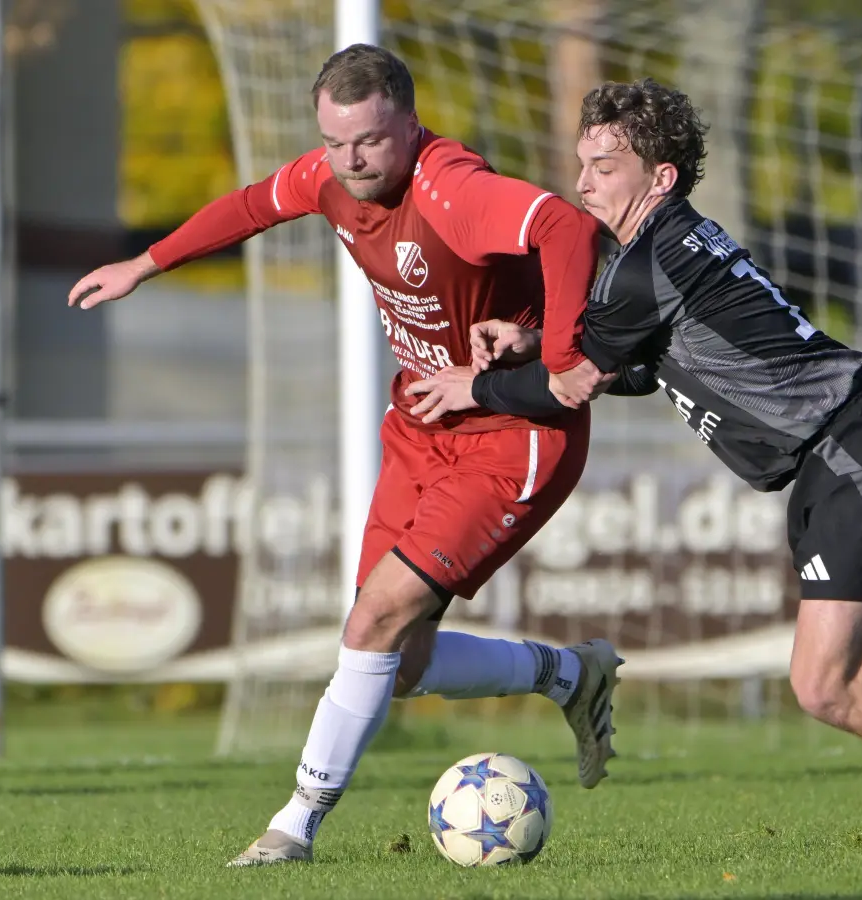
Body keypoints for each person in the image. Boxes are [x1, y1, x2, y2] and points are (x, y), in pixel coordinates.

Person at [405, 78, 862, 854]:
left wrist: (478, 385)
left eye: (603, 165)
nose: (582, 181)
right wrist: (532, 344)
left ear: (659, 178)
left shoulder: (645, 264)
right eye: (581, 162)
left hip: (856, 446)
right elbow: (633, 365)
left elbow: (574, 384)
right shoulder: (661, 250)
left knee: (825, 683)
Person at [67, 45, 623, 867]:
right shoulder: (328, 174)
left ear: (406, 120)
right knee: (396, 662)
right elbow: (253, 205)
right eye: (334, 142)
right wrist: (145, 265)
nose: (349, 161)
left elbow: (564, 223)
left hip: (512, 437)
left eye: (367, 141)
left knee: (370, 624)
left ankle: (293, 827)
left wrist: (560, 356)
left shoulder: (449, 187)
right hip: (422, 427)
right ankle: (571, 677)